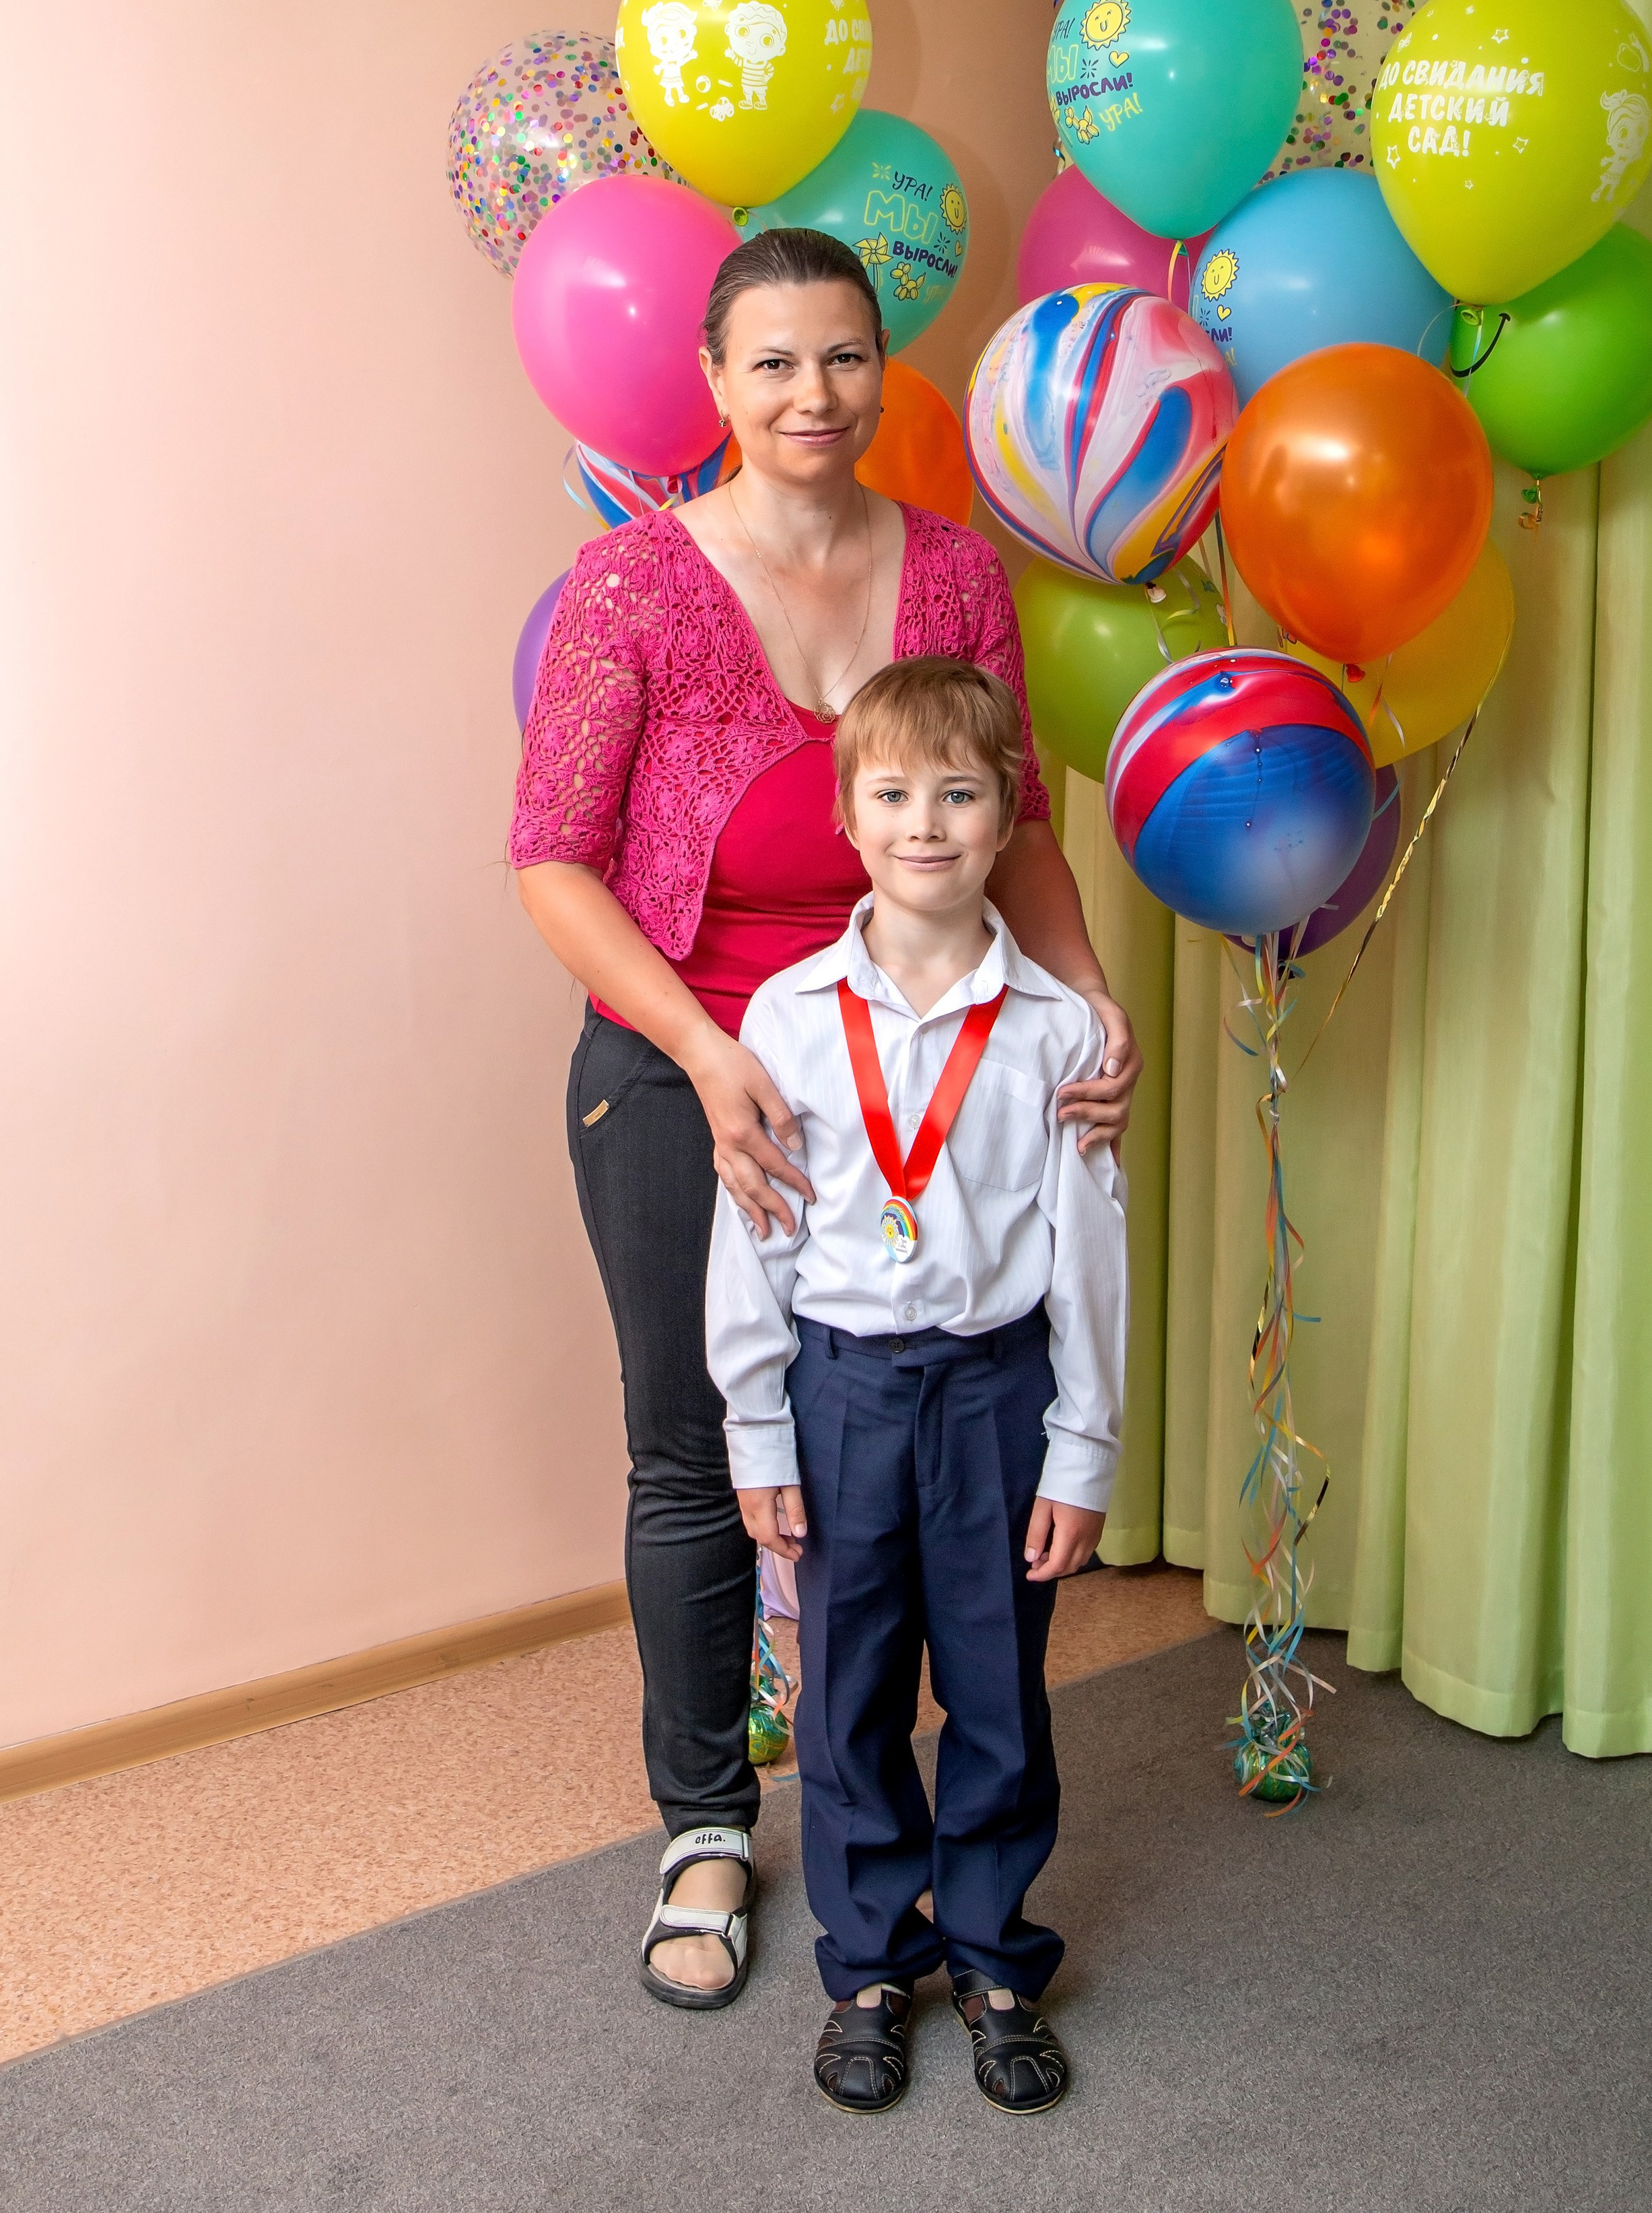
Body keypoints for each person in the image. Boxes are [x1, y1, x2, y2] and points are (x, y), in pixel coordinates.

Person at [509, 228, 1140, 2007]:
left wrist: (1087, 995)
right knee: (699, 1443)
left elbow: (1009, 820)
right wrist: (711, 1064)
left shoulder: (950, 574)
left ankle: (929, 1823)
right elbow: (550, 863)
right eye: (773, 363)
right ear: (715, 385)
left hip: (921, 1046)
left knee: (927, 1413)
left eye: (845, 358)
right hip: (683, 1060)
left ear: (883, 369)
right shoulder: (628, 586)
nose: (812, 395)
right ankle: (706, 1828)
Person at [705, 657, 1127, 2114]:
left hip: (996, 1393)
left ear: (1009, 811)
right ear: (846, 816)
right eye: (891, 792)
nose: (925, 820)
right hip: (837, 1395)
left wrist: (1081, 1448)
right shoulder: (786, 1017)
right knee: (850, 1694)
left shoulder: (1057, 1032)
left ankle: (998, 1955)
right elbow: (751, 1229)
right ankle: (873, 1960)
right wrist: (757, 1422)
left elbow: (1087, 1257)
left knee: (998, 1684)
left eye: (959, 790)